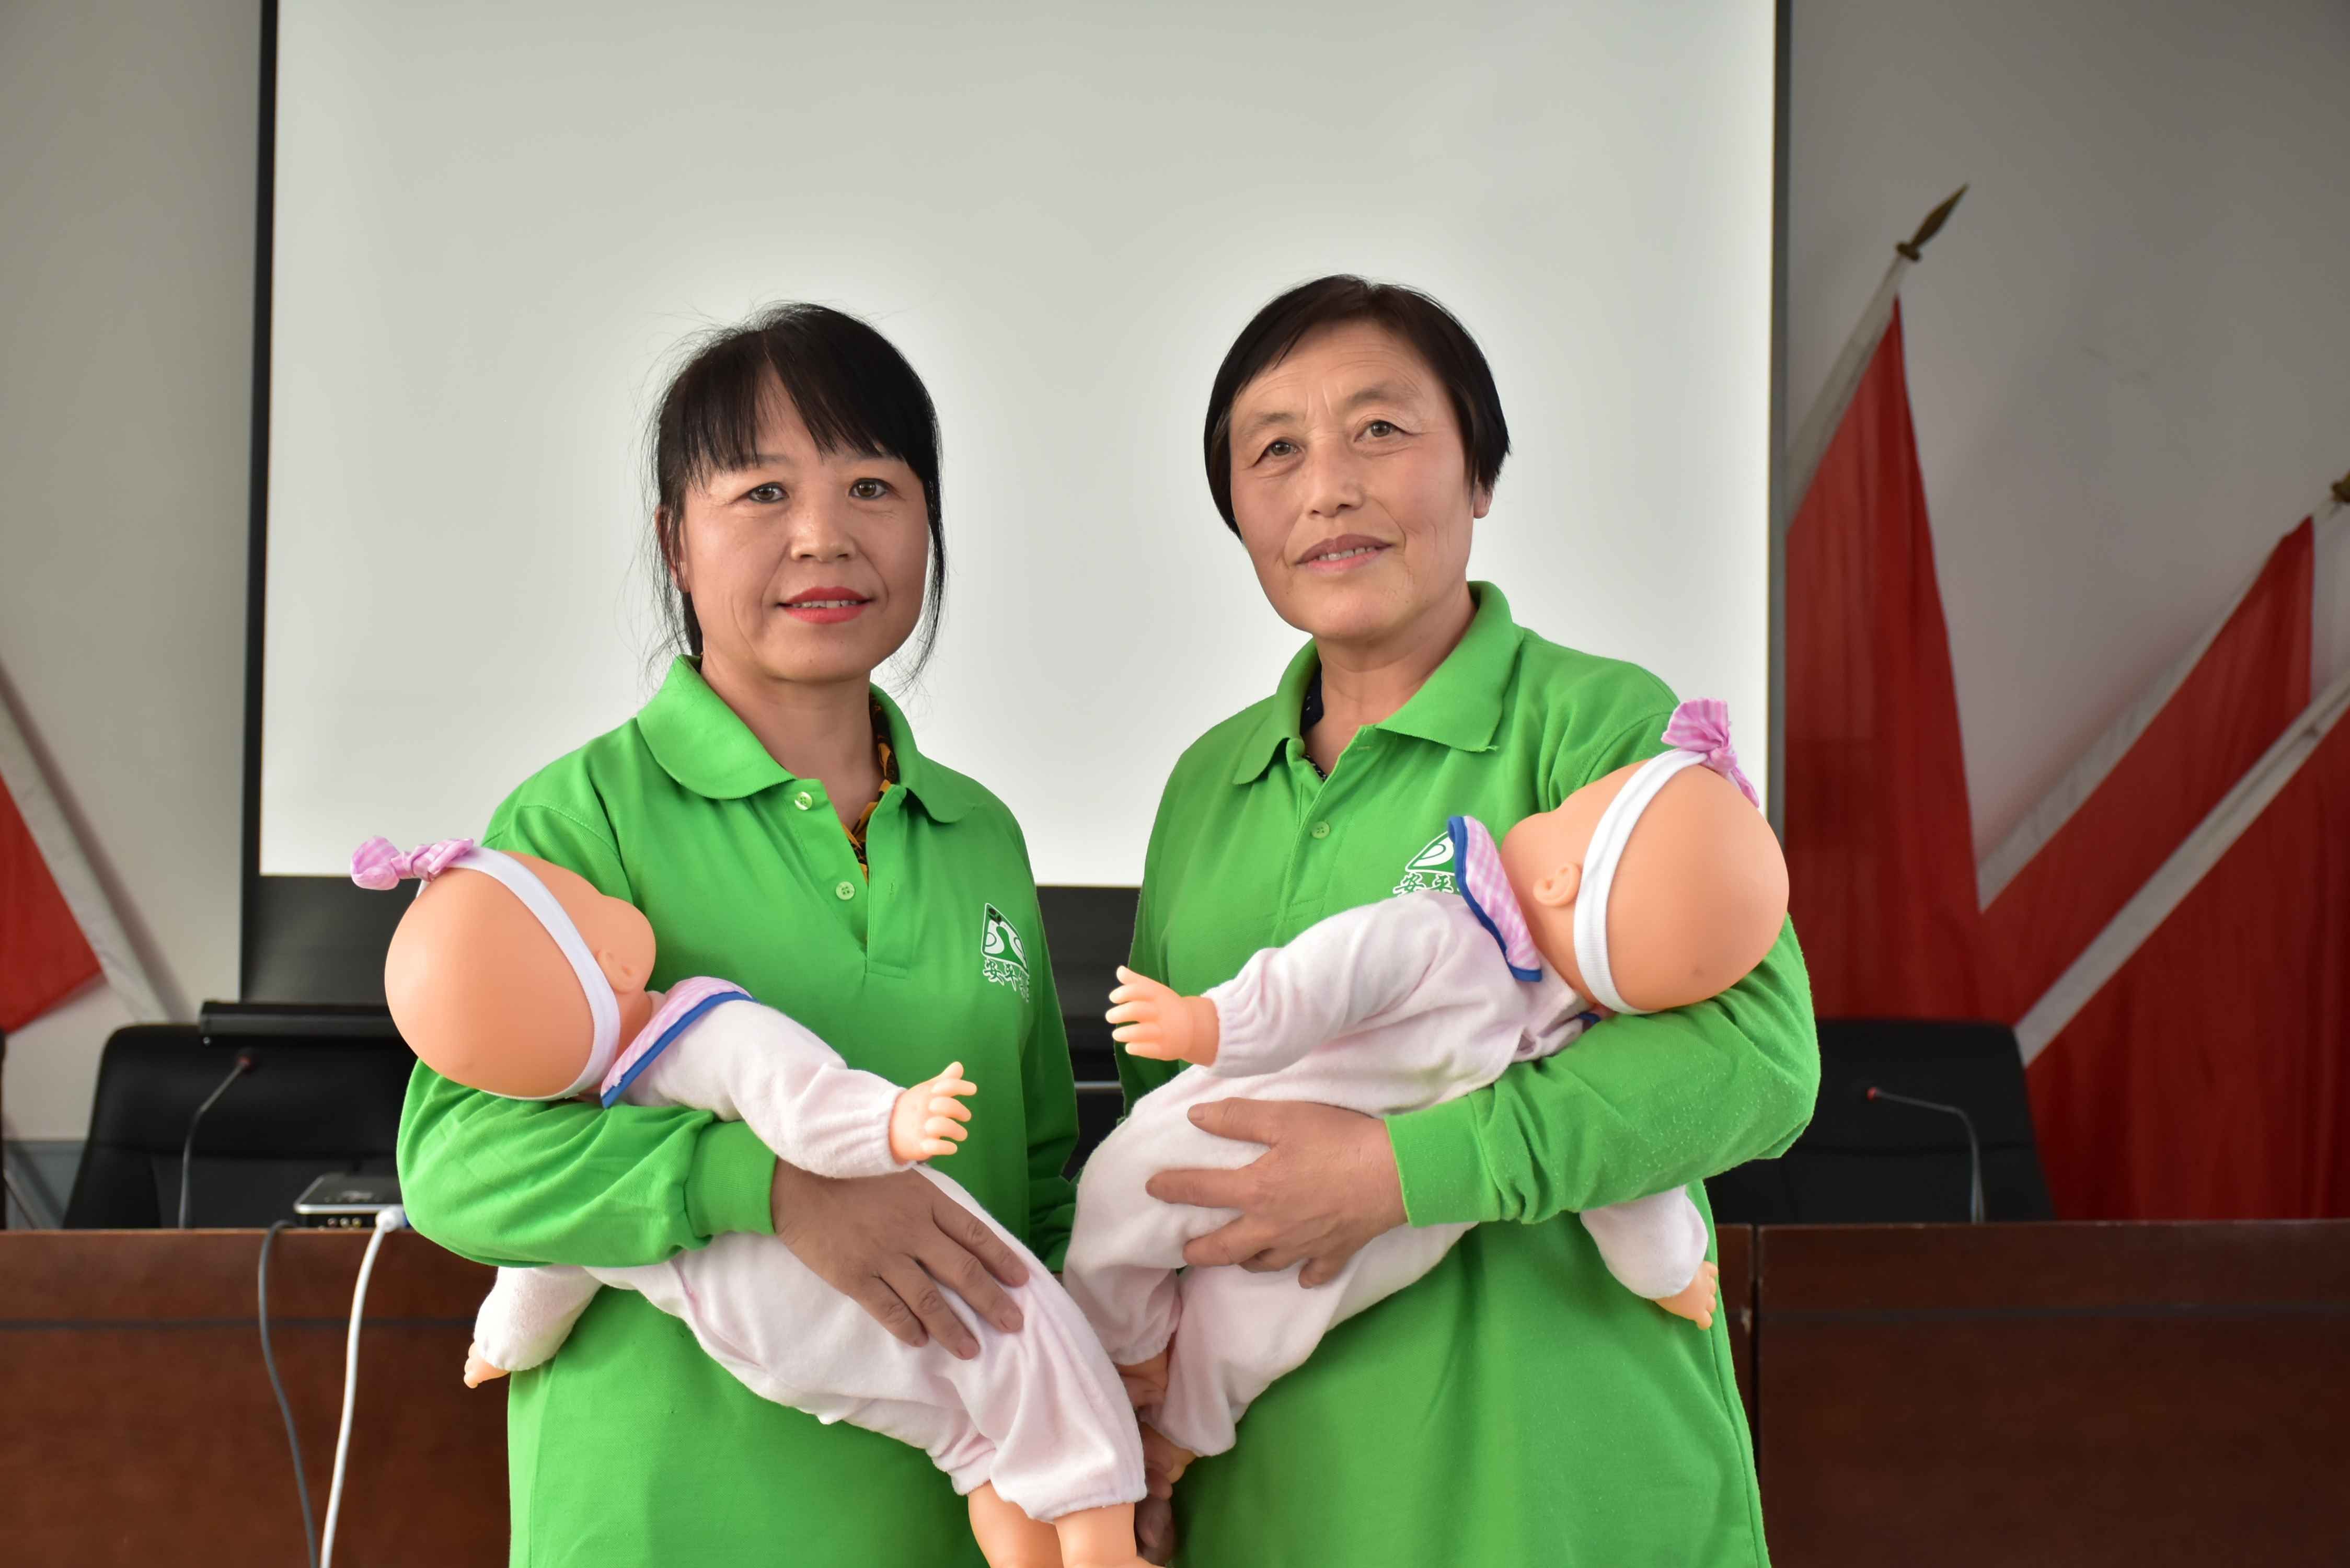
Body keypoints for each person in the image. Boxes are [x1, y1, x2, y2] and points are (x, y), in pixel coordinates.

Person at [1116, 275, 1820, 1564]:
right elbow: (1163, 1153)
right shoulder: (1205, 789)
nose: (1327, 487)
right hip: (1270, 1513)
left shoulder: (1602, 726)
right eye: (1274, 451)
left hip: (1564, 1506)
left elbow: (1758, 1066)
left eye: (1379, 430)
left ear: (1480, 473)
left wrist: (1398, 1176)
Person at [397, 303, 1082, 1565]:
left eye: (872, 485)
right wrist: (769, 1190)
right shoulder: (582, 816)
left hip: (961, 1529)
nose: (823, 535)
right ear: (676, 539)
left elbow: (1035, 1185)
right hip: (660, 1528)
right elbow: (456, 1167)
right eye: (763, 491)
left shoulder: (978, 833)